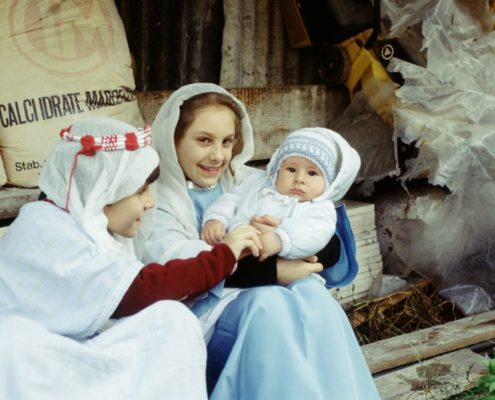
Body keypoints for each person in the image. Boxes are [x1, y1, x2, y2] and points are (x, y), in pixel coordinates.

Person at [140, 83, 380, 399]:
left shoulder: (251, 182)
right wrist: (275, 271)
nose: (217, 155)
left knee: (313, 296)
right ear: (173, 139)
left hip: (255, 297)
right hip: (198, 315)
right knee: (268, 304)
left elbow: (326, 242)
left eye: (227, 142)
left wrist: (285, 233)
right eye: (203, 141)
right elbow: (181, 269)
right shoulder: (156, 201)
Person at [0, 117, 261, 399]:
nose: (150, 202)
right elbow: (138, 290)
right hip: (36, 357)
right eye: (140, 191)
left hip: (76, 348)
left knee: (171, 319)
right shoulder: (45, 225)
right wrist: (222, 256)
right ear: (104, 191)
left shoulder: (87, 226)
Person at [202, 127, 361, 263]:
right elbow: (232, 198)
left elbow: (315, 233)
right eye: (291, 169)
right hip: (232, 250)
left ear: (328, 182)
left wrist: (279, 239)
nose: (299, 179)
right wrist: (217, 218)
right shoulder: (258, 182)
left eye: (312, 173)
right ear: (278, 168)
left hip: (274, 263)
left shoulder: (319, 209)